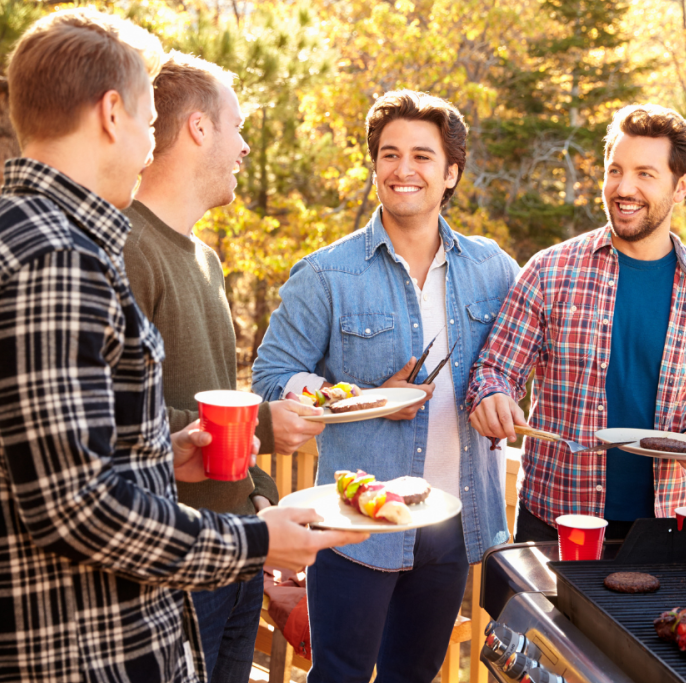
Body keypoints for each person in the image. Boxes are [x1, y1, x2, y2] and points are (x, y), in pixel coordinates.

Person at [0, 10, 364, 682]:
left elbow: (50, 462)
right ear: (111, 113)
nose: (148, 141)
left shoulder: (7, 237)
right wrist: (257, 538)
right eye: (145, 118)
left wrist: (164, 452)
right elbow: (76, 508)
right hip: (73, 655)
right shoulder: (54, 259)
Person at [252, 90, 519, 683]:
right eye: (390, 154)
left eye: (422, 156)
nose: (404, 170)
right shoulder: (327, 272)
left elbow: (517, 361)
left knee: (414, 677)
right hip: (356, 526)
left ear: (450, 172)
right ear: (374, 166)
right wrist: (359, 397)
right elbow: (269, 377)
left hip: (450, 523)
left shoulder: (493, 268)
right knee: (340, 675)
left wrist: (507, 397)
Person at [119, 51, 324, 682]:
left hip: (236, 556)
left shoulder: (205, 260)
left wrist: (262, 499)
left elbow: (212, 398)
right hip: (173, 568)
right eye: (236, 127)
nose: (243, 147)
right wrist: (264, 425)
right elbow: (125, 419)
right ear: (197, 129)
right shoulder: (126, 246)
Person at [467, 104, 686, 542]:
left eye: (645, 174)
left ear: (681, 187)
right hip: (554, 520)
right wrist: (492, 396)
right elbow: (494, 369)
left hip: (663, 529)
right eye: (615, 170)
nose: (624, 187)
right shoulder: (550, 270)